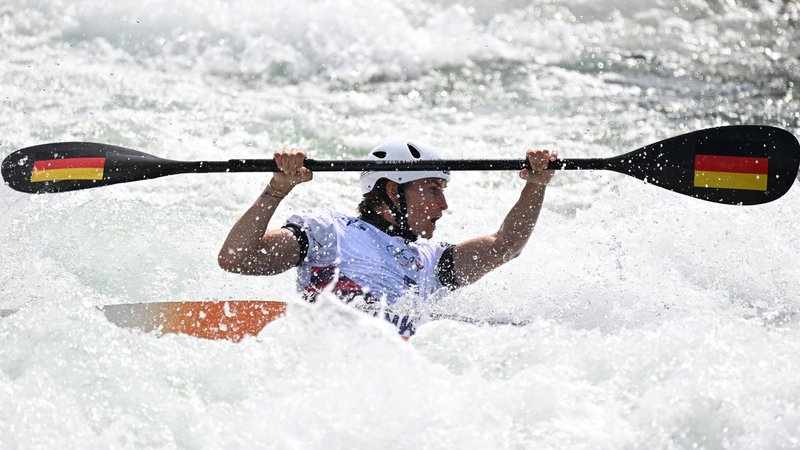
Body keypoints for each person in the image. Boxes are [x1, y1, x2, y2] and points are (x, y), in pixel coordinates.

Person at [218, 140, 557, 336]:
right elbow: (236, 258)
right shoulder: (327, 231)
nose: (444, 204)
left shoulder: (431, 260)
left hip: (394, 373)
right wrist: (276, 191)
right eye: (433, 189)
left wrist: (535, 186)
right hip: (329, 359)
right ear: (393, 191)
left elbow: (506, 245)